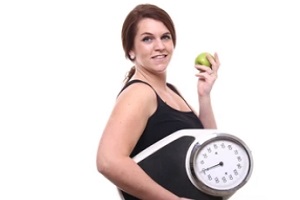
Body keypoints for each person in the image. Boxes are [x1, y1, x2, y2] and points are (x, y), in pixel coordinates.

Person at [96, 3, 221, 200]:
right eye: (147, 39)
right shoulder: (139, 93)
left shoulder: (170, 91)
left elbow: (207, 147)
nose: (160, 46)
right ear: (130, 51)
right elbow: (108, 161)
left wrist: (204, 96)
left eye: (165, 37)